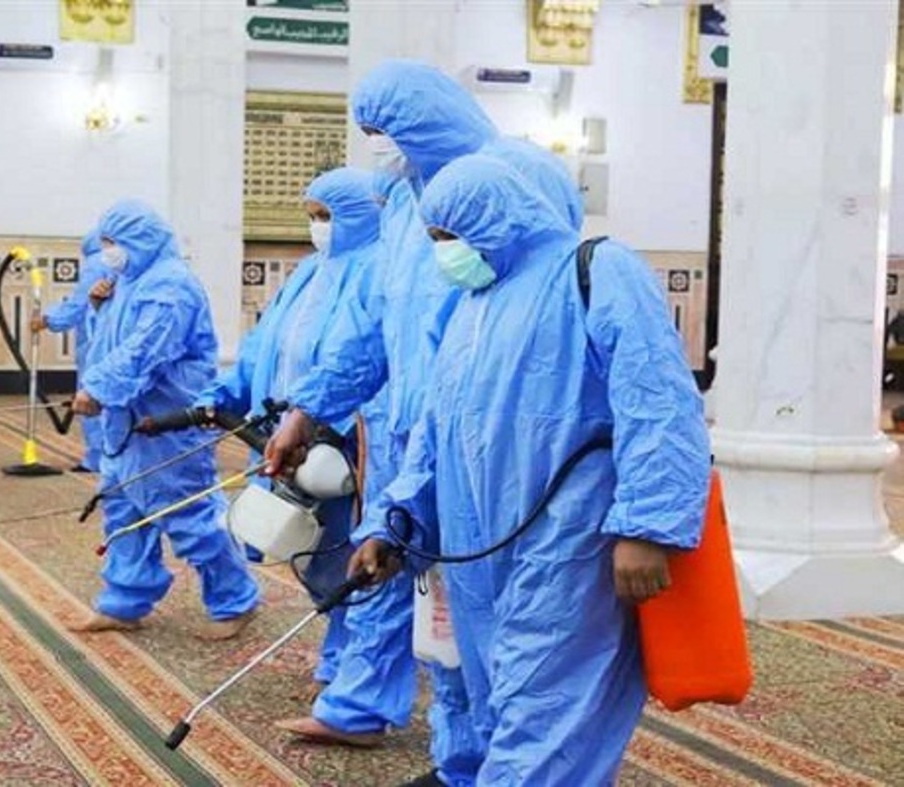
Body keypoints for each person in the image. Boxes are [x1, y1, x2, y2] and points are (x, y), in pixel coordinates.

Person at [265, 59, 584, 781]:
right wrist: (309, 409)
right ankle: (460, 759)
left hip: (494, 443)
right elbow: (374, 334)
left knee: (504, 617)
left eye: (386, 129)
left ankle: (509, 760)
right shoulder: (406, 214)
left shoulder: (514, 177)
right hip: (416, 439)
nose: (379, 147)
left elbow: (538, 308)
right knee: (432, 603)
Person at [350, 153, 712, 785]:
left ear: (497, 217)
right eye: (434, 237)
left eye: (450, 234)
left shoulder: (597, 271)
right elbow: (435, 437)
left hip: (571, 540)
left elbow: (657, 401)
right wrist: (396, 523)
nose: (444, 251)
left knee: (546, 709)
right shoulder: (468, 306)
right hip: (480, 552)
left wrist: (647, 528)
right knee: (499, 699)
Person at [196, 167, 383, 738]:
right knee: (308, 553)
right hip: (285, 434)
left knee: (350, 560)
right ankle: (344, 664)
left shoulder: (376, 272)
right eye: (312, 215)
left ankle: (357, 682)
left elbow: (360, 362)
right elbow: (265, 344)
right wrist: (226, 393)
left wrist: (321, 422)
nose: (317, 226)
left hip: (342, 443)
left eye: (327, 216)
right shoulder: (309, 272)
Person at [69, 199, 259, 641]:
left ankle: (235, 599)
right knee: (124, 512)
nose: (108, 250)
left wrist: (98, 389)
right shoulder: (127, 281)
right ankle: (124, 602)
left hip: (168, 421)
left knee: (187, 514)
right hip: (126, 422)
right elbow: (111, 342)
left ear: (140, 239)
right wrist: (98, 309)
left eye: (113, 241)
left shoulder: (171, 287)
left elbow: (146, 350)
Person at [31, 228, 108, 472]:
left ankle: (98, 458)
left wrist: (48, 320)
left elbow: (79, 304)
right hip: (115, 340)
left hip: (98, 342)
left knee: (93, 395)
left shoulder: (96, 263)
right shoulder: (131, 264)